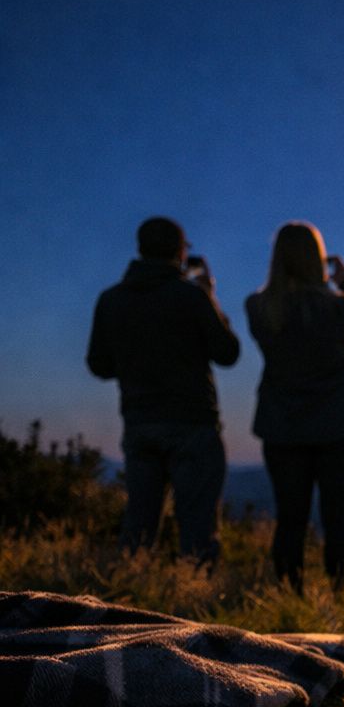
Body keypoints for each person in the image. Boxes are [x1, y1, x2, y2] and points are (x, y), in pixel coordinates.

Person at [87, 216, 239, 565]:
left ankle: (129, 595)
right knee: (198, 528)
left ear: (141, 250)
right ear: (179, 253)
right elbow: (227, 352)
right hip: (192, 424)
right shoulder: (192, 297)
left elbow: (99, 364)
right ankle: (197, 602)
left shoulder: (111, 300)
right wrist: (209, 296)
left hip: (140, 422)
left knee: (139, 525)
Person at [246, 221, 344, 593]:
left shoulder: (258, 307)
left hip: (282, 425)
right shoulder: (336, 307)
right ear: (317, 259)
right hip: (340, 425)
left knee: (290, 518)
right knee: (339, 520)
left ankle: (289, 596)